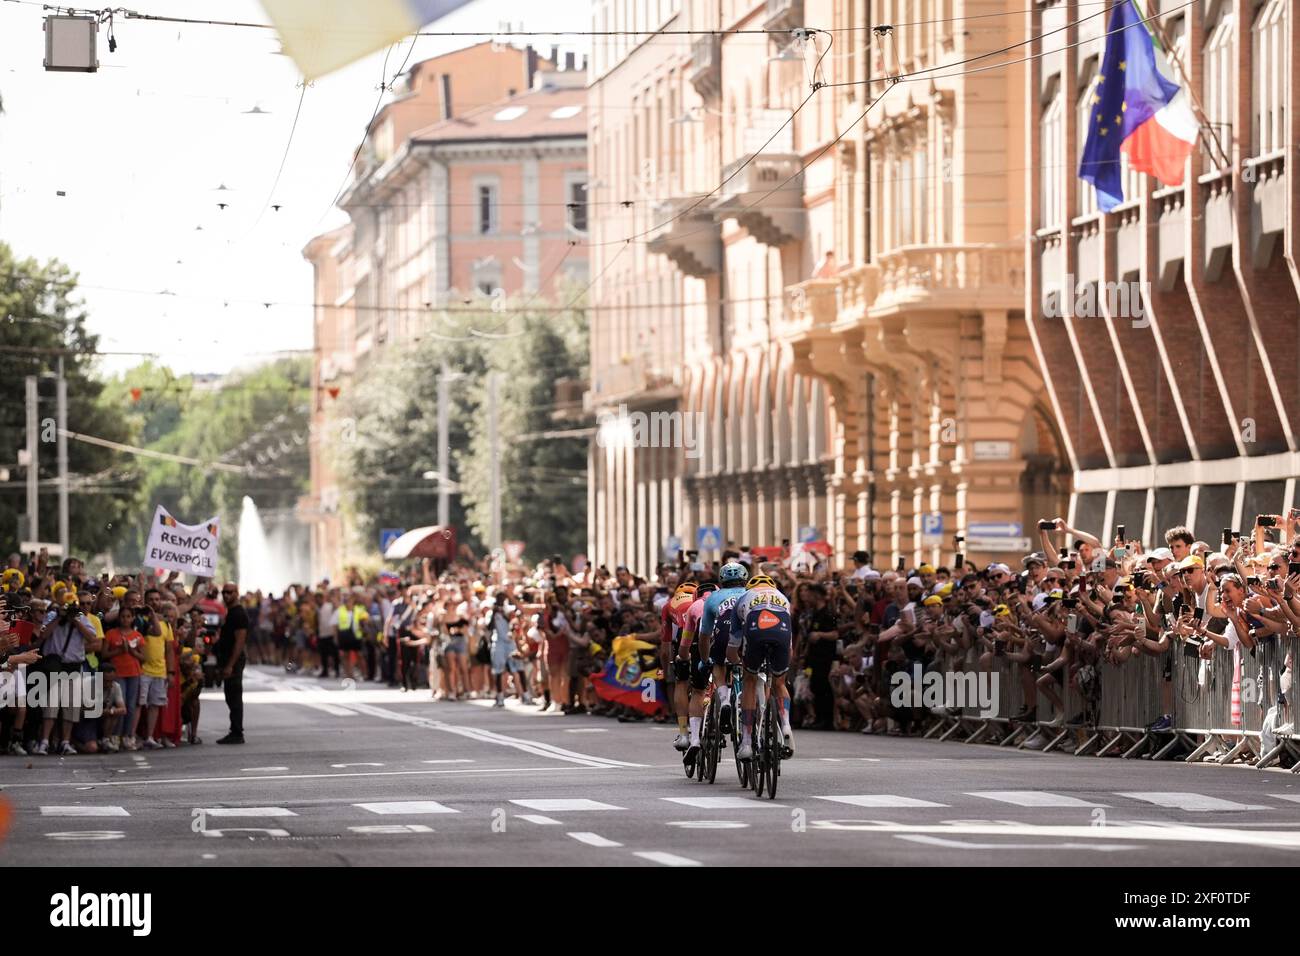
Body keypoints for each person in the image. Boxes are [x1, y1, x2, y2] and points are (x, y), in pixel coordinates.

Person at [727, 573, 795, 760]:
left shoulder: (744, 597)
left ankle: (747, 741)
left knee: (749, 681)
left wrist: (737, 663)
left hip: (756, 630)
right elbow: (790, 647)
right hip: (781, 632)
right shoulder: (783, 598)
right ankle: (786, 725)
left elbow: (733, 645)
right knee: (780, 683)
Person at [215, 582, 248, 744]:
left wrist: (230, 665)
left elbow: (240, 642)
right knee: (230, 696)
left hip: (233, 660)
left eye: (229, 592)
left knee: (234, 695)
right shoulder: (231, 613)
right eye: (224, 592)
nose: (226, 595)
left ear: (236, 593)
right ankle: (235, 729)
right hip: (228, 659)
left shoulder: (239, 614)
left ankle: (236, 732)